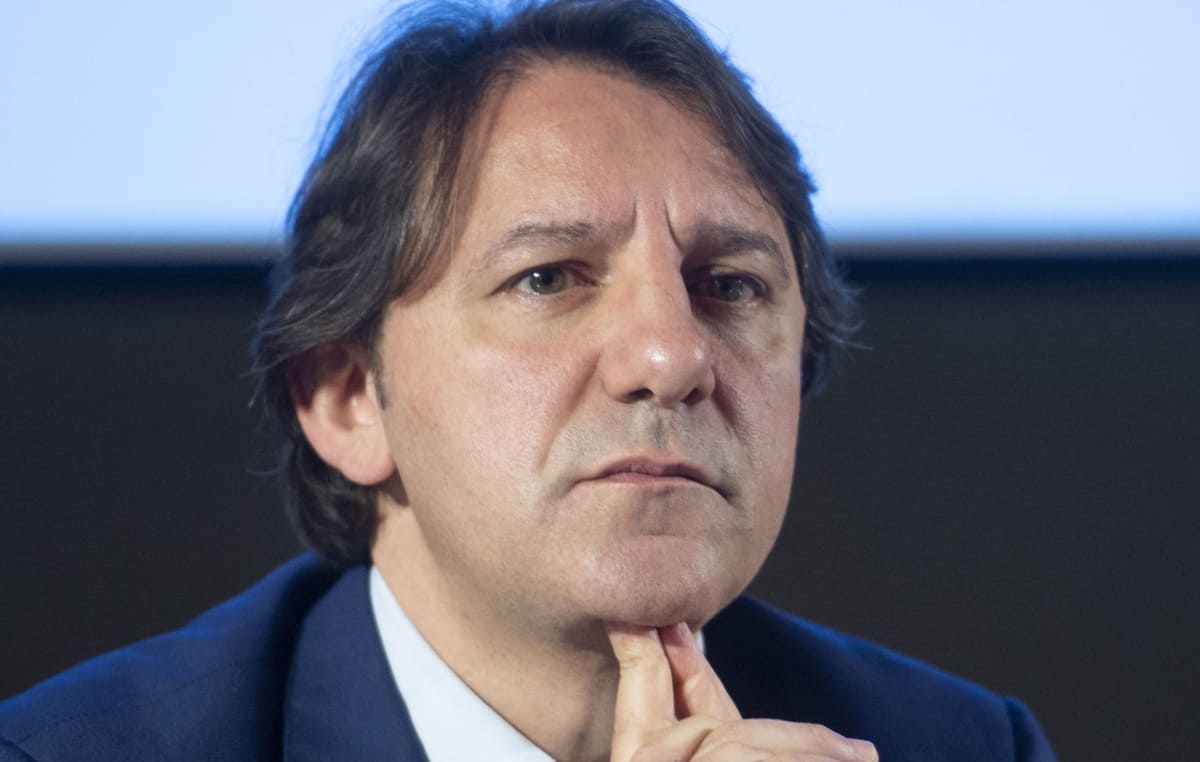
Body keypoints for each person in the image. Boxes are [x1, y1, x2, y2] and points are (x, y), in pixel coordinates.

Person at [0, 1, 1056, 759]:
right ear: (350, 398)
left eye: (729, 287)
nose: (671, 358)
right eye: (549, 277)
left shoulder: (955, 745)